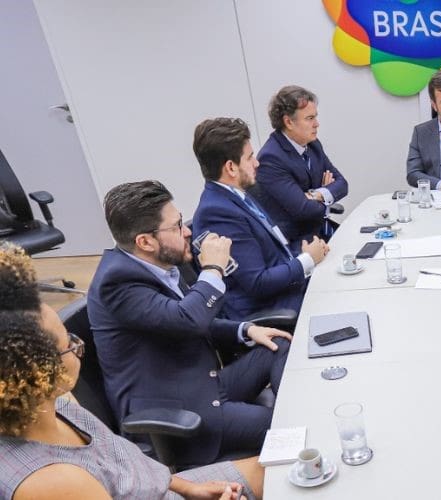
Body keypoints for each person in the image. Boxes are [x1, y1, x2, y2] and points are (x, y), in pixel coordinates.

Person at [88, 180, 292, 467]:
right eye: (176, 226)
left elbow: (183, 317)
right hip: (177, 411)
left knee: (278, 342)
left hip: (203, 385)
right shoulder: (117, 282)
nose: (187, 231)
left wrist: (244, 330)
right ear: (145, 242)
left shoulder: (156, 264)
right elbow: (188, 319)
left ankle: (297, 406)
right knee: (287, 426)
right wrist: (213, 269)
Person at [0, 306, 261, 499]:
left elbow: (128, 462)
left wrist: (188, 487)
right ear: (36, 374)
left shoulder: (57, 407)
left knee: (279, 468)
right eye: (68, 343)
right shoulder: (52, 483)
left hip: (166, 489)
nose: (78, 346)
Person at [191, 117, 329, 320]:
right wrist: (307, 259)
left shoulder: (237, 195)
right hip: (274, 310)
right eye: (250, 157)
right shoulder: (217, 213)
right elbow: (257, 282)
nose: (257, 163)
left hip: (290, 291)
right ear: (231, 167)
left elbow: (274, 252)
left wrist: (307, 252)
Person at [250, 85, 348, 248]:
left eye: (315, 117)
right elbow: (304, 210)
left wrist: (315, 194)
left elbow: (342, 184)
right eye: (310, 118)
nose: (317, 124)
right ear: (288, 122)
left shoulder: (313, 145)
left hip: (321, 230)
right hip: (299, 243)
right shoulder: (271, 158)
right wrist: (326, 194)